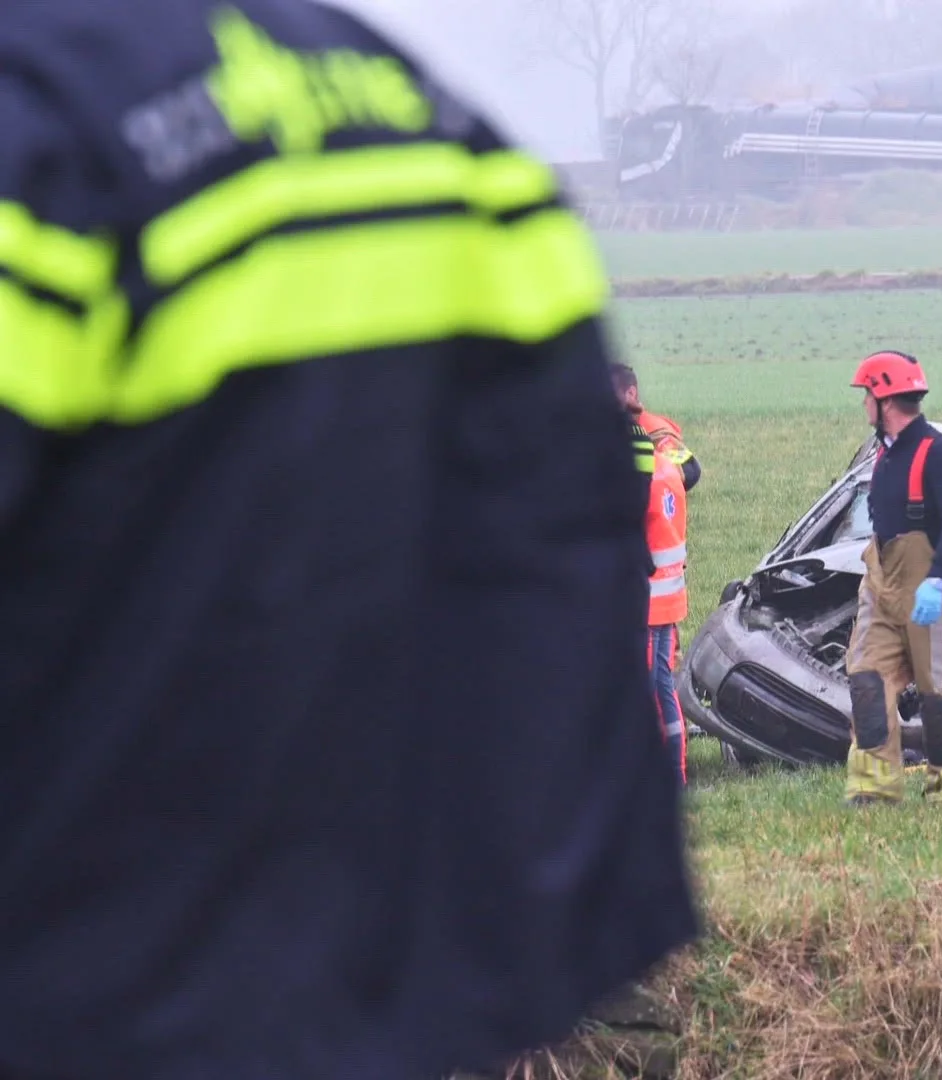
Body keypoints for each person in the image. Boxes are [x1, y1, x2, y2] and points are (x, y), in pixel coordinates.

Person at [0, 3, 698, 1078]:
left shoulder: (39, 128)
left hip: (95, 989)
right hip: (395, 991)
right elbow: (563, 550)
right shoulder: (440, 130)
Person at [841, 350, 942, 806]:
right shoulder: (884, 454)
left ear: (885, 399)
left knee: (939, 694)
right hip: (882, 586)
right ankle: (874, 788)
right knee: (866, 680)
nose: (863, 404)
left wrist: (937, 580)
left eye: (866, 394)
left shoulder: (937, 452)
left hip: (933, 588)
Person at [610, 362, 697, 785]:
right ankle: (674, 774)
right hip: (667, 596)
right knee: (662, 686)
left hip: (644, 597)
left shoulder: (646, 444)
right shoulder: (661, 459)